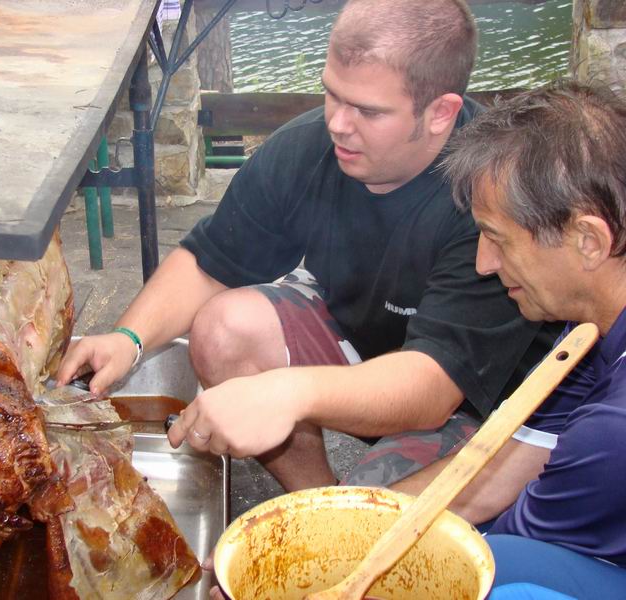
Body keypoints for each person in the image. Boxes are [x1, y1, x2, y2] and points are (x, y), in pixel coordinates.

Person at [57, 0, 560, 492]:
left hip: (472, 402)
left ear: (440, 113)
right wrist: (128, 338)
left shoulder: (487, 198)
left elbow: (431, 388)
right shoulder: (308, 147)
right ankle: (313, 502)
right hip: (363, 348)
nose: (338, 123)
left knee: (377, 520)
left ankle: (345, 515)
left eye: (367, 110)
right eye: (332, 94)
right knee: (225, 329)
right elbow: (210, 263)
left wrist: (285, 393)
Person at [392, 79, 626, 598]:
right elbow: (494, 473)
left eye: (496, 237)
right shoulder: (590, 326)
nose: (483, 263)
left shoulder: (613, 433)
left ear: (589, 241)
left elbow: (497, 551)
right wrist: (343, 528)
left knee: (502, 572)